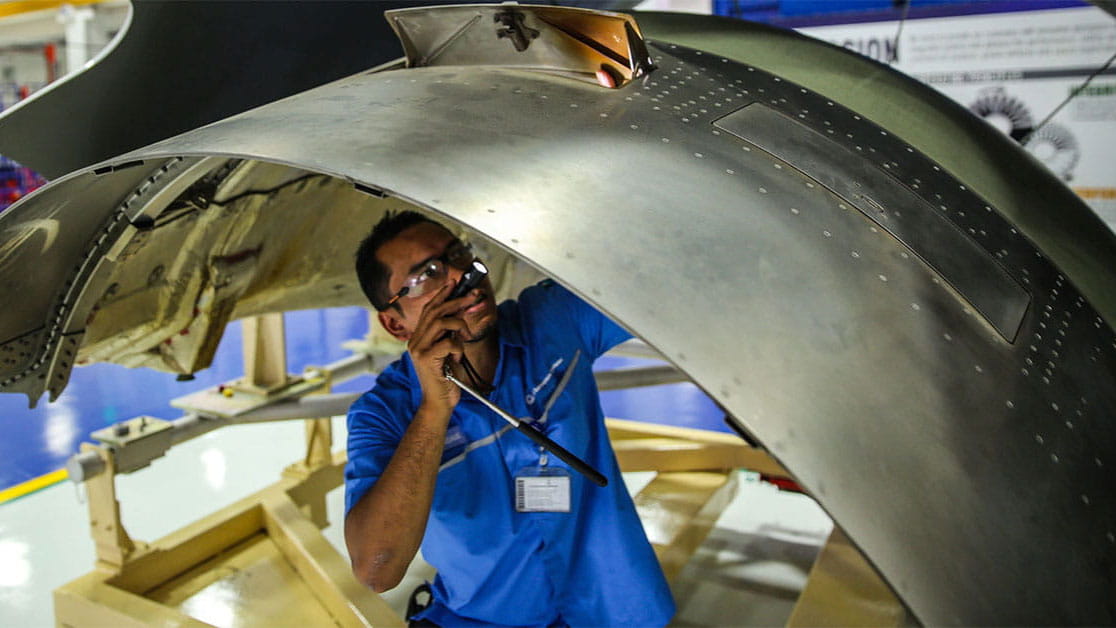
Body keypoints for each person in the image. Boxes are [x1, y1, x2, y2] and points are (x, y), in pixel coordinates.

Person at [344, 210, 675, 627]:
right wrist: (433, 411)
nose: (460, 275)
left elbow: (657, 279)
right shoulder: (382, 415)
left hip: (613, 609)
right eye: (427, 274)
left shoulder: (554, 321)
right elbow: (377, 570)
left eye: (458, 253)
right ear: (394, 323)